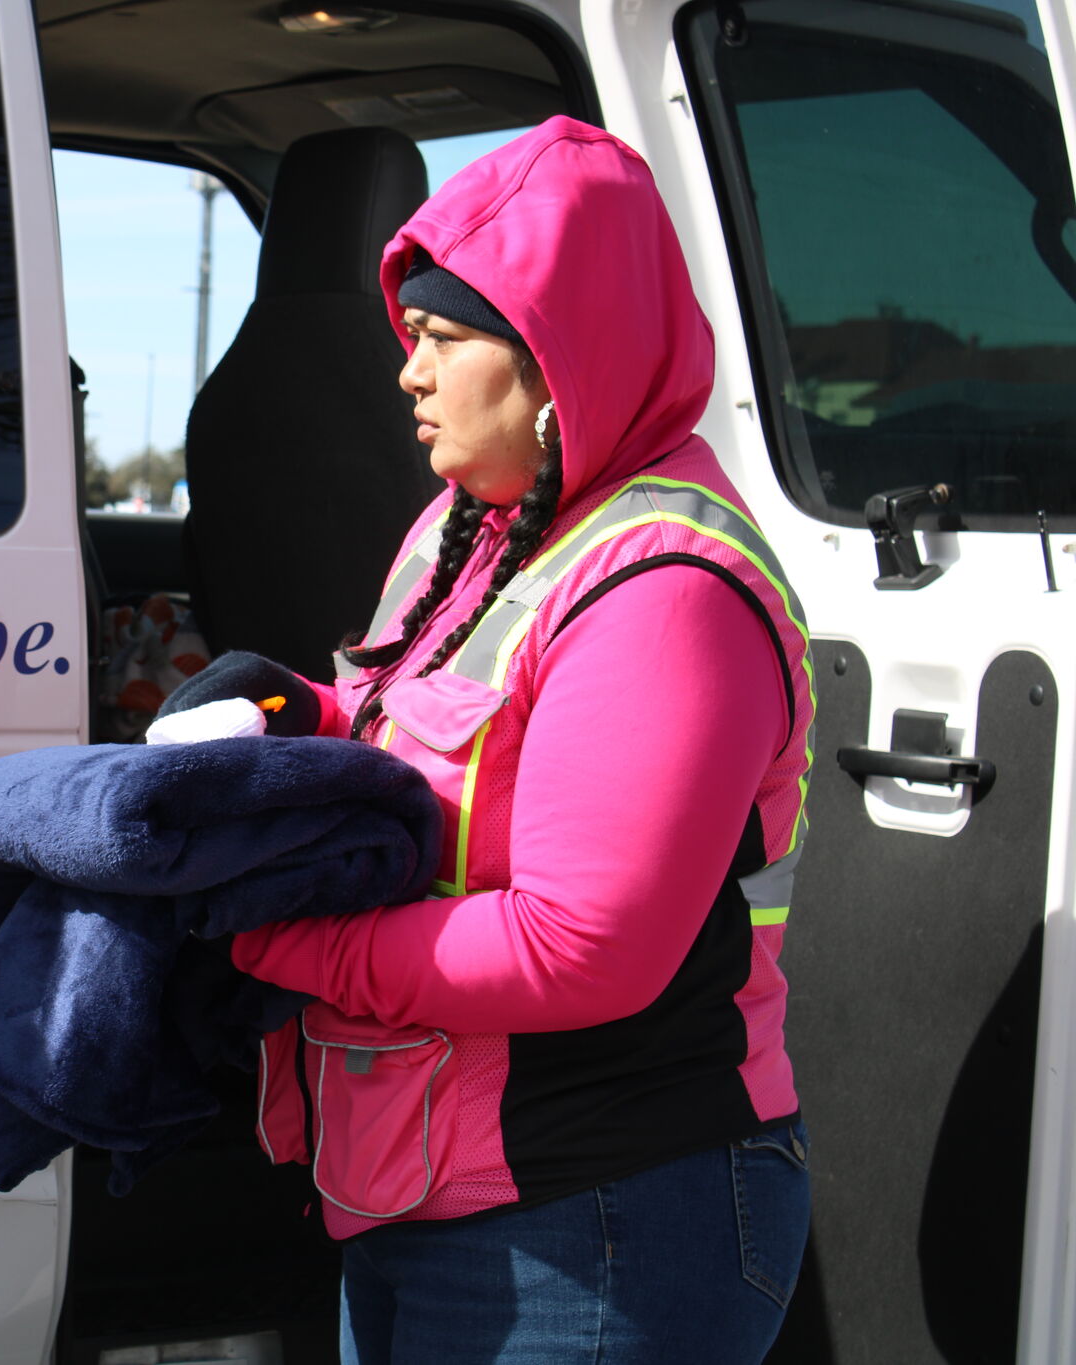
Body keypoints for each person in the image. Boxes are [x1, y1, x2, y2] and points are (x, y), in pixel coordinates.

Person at [162, 117, 816, 1363]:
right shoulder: (463, 530)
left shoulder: (664, 589)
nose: (406, 373)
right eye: (409, 335)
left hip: (599, 1215)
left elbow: (577, 949)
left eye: (443, 338)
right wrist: (280, 719)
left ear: (560, 353)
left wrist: (268, 937)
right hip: (425, 1185)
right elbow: (426, 740)